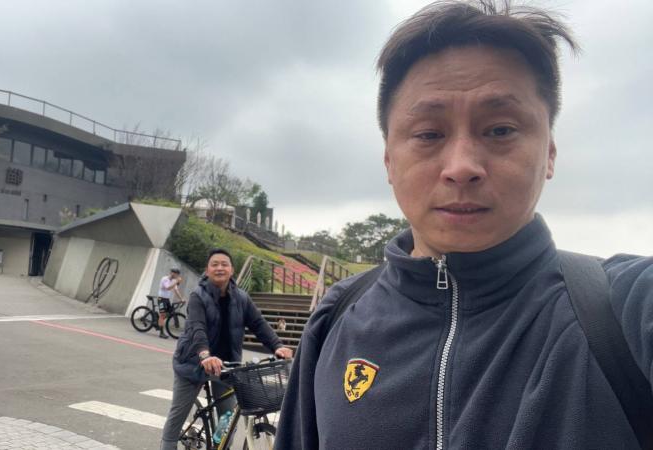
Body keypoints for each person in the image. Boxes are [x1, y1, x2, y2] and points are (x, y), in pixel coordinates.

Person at [275, 1, 652, 449]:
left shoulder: (621, 310)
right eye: (429, 134)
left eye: (500, 130)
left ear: (549, 152)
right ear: (389, 160)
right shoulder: (337, 319)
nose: (461, 167)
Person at [160, 248, 293, 450]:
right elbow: (197, 328)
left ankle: (218, 445)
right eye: (214, 264)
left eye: (224, 264)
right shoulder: (198, 296)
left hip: (226, 366)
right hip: (192, 363)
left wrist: (278, 346)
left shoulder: (241, 298)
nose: (219, 268)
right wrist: (205, 355)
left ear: (232, 270)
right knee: (177, 417)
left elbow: (258, 324)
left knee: (226, 418)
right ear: (207, 270)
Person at [157, 268, 183, 339]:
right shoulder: (165, 279)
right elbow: (168, 288)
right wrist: (176, 281)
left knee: (170, 313)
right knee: (162, 315)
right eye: (176, 274)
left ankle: (159, 321)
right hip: (161, 299)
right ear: (172, 273)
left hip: (167, 300)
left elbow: (176, 290)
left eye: (178, 275)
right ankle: (161, 333)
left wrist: (181, 299)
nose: (177, 276)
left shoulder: (173, 281)